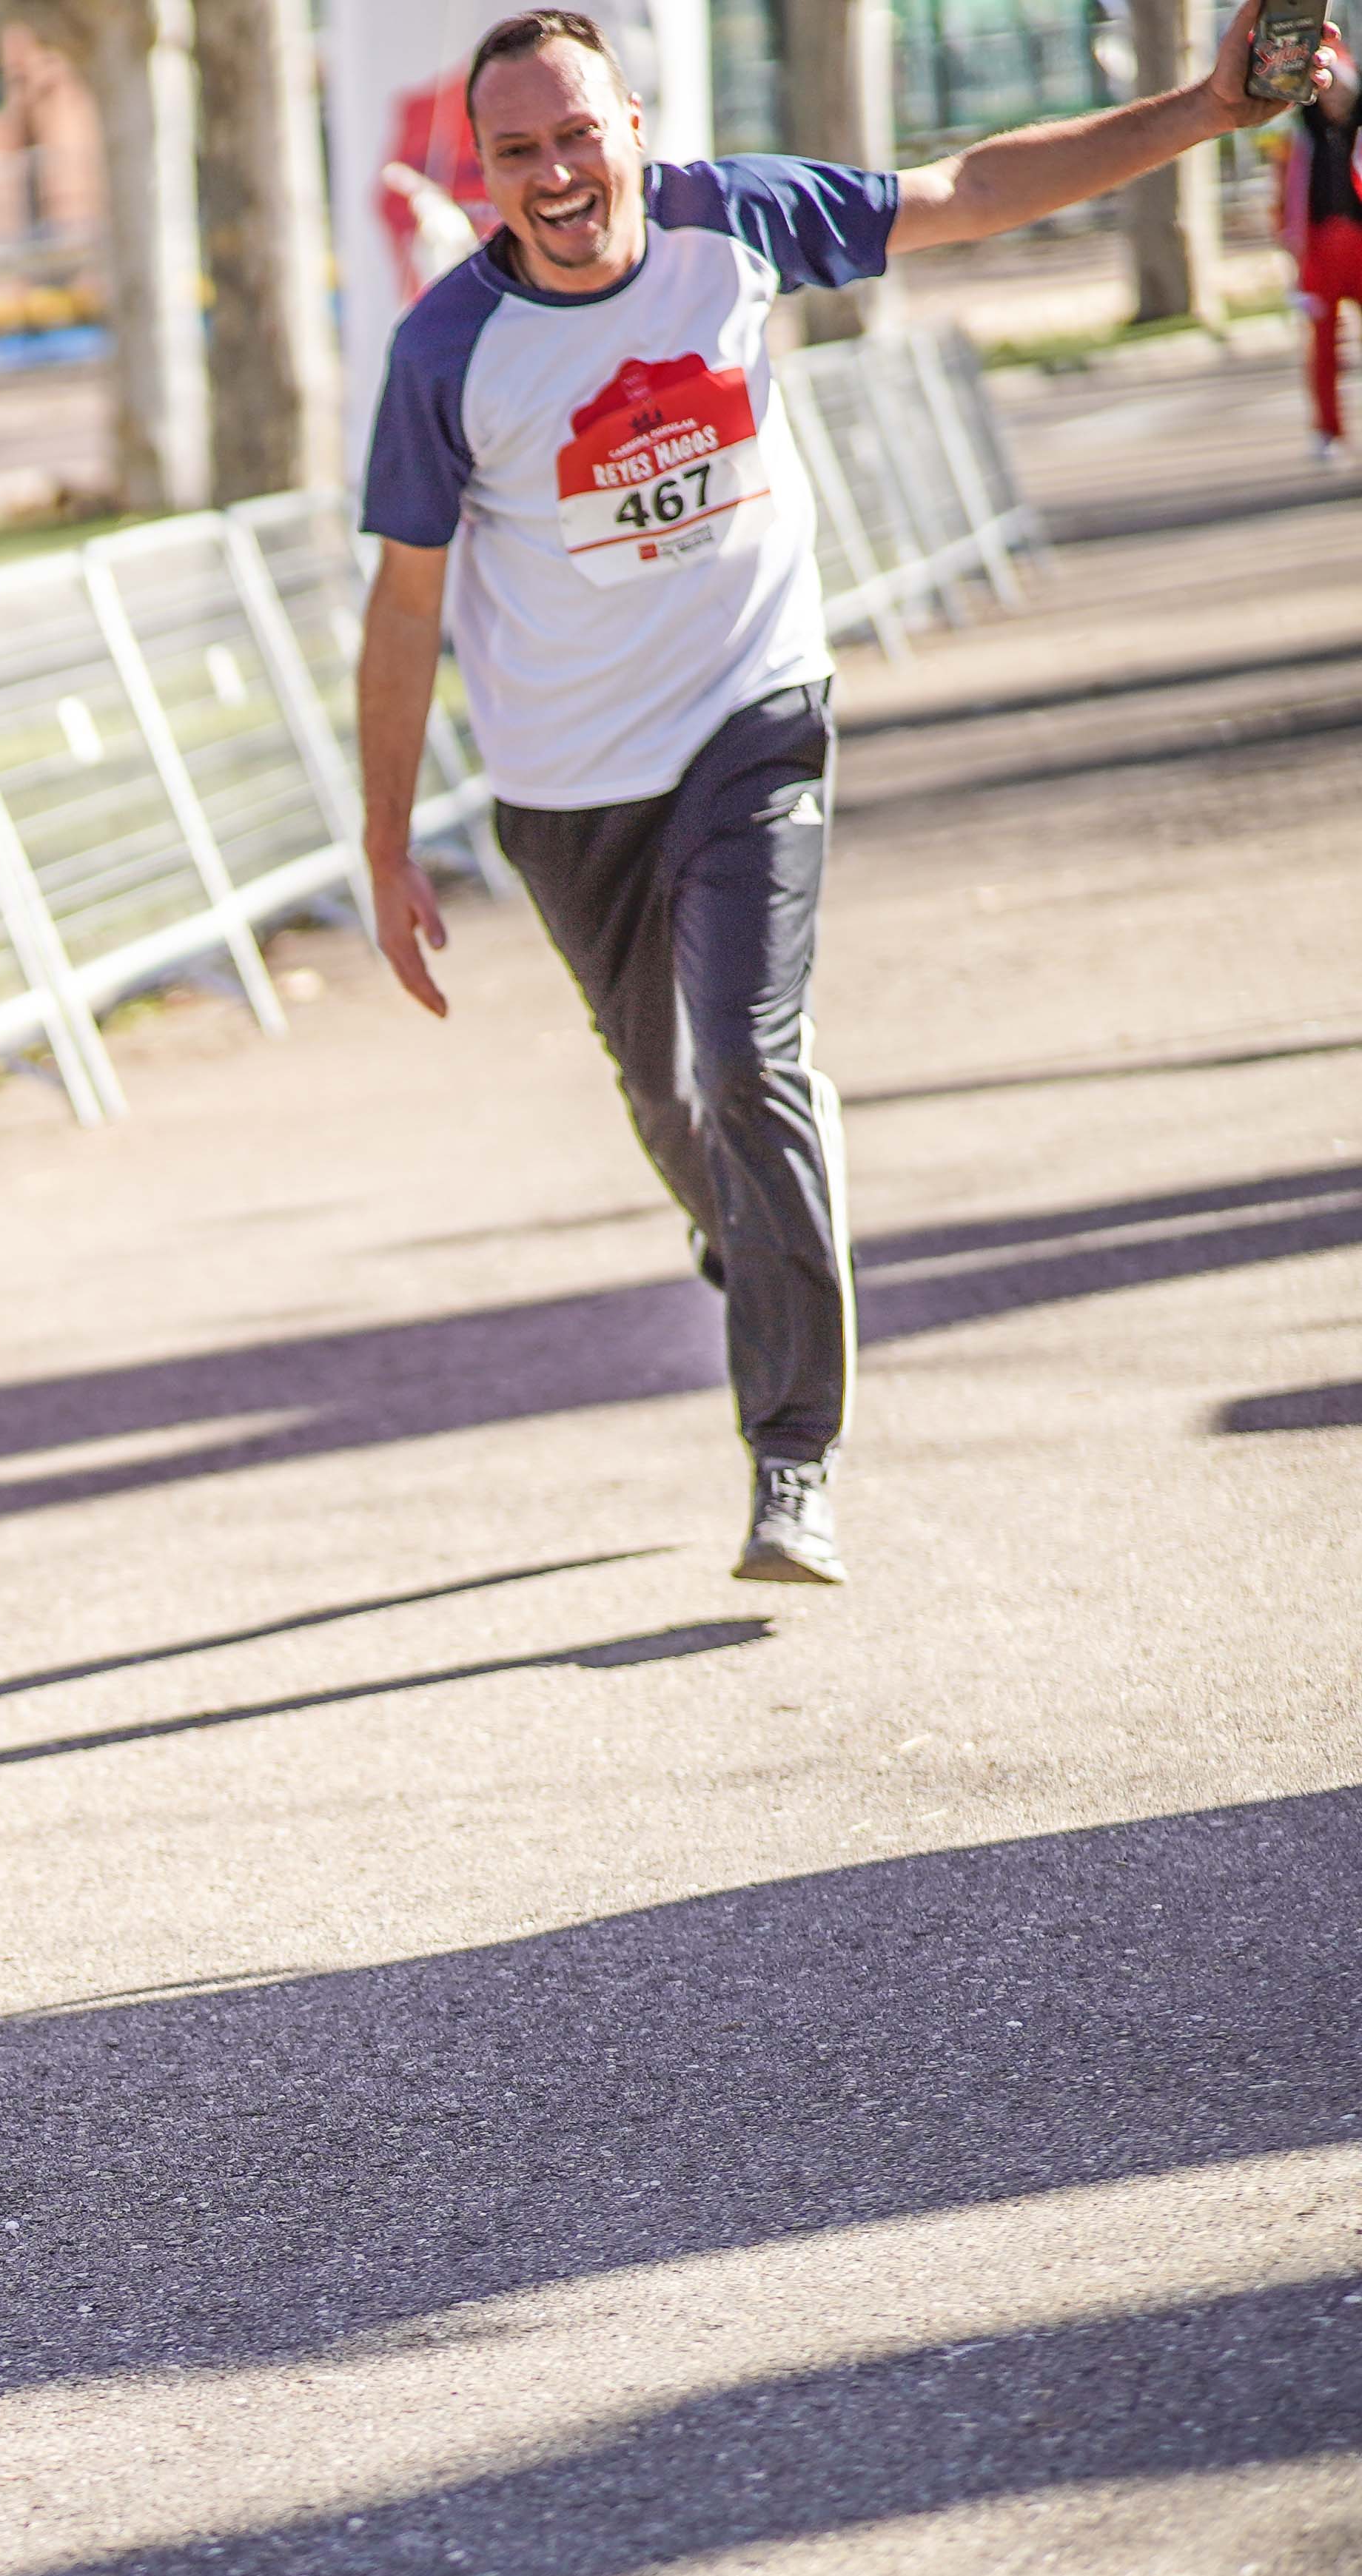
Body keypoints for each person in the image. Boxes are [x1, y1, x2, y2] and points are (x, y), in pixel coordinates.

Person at [354, 5, 1314, 1584]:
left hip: (751, 714)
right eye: (515, 152)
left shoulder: (725, 222)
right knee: (675, 1105)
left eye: (577, 133)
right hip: (569, 788)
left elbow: (965, 191)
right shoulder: (449, 350)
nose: (555, 173)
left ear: (635, 130)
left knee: (747, 1059)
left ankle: (791, 1456)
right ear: (484, 174)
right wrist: (388, 844)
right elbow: (404, 610)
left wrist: (1204, 111)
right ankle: (750, 1234)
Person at [1292, 41, 1362, 463]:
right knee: (1322, 348)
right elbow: (1288, 198)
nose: (1335, 99)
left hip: (1359, 241)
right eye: (1328, 91)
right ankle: (1328, 429)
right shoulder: (1305, 136)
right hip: (1320, 247)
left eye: (1343, 90)